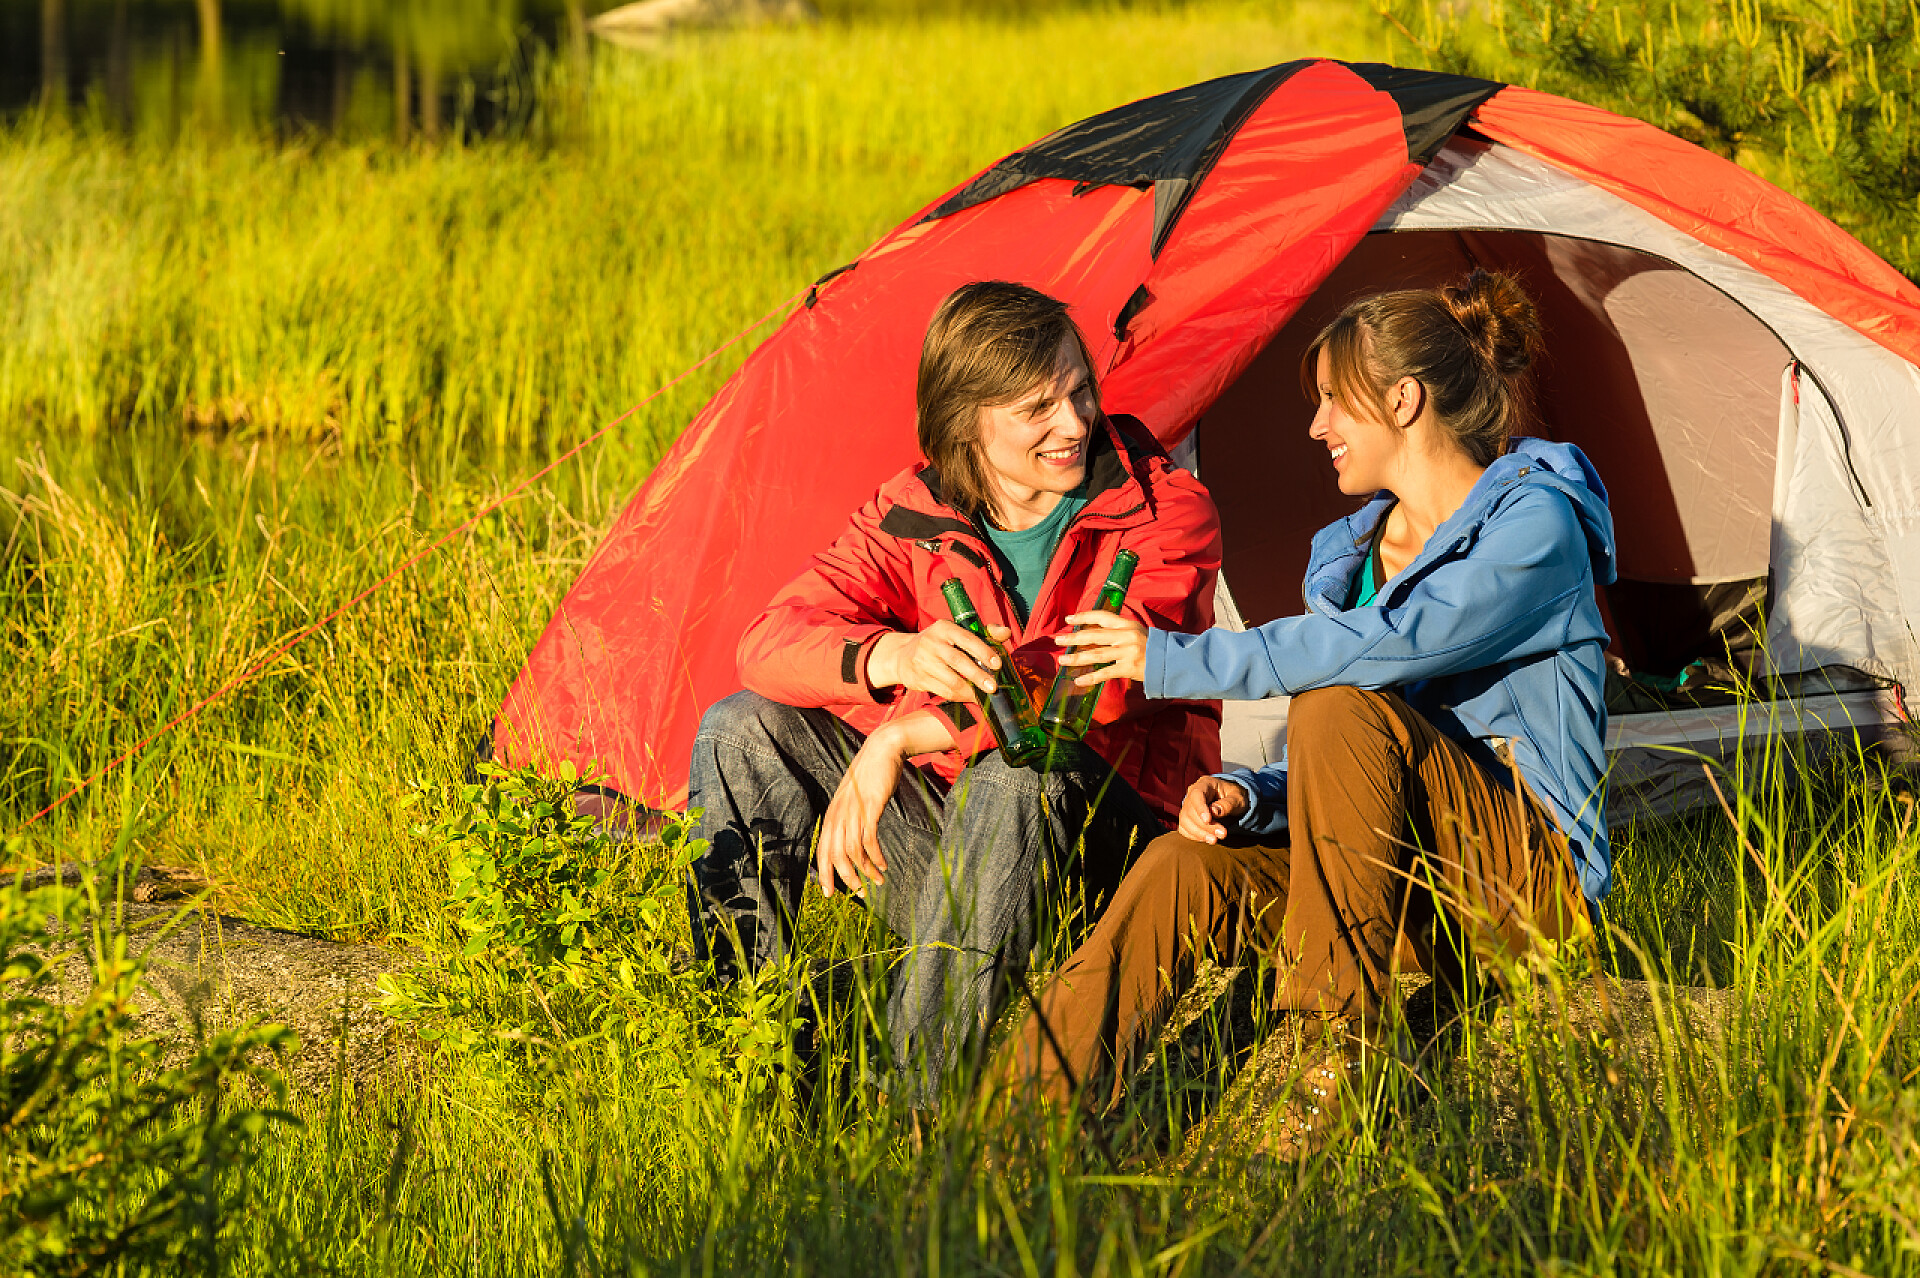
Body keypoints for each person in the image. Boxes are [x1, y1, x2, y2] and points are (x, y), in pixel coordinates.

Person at [998, 270, 1616, 1154]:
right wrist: (1253, 796)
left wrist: (1172, 658)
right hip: (1402, 891)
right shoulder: (1358, 553)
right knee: (1183, 868)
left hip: (1527, 890)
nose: (1317, 426)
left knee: (1336, 697)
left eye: (1333, 401)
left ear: (1402, 400)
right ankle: (1006, 1120)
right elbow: (1367, 756)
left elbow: (1385, 657)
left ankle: (1334, 1048)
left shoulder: (1535, 529)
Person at [685, 280, 1222, 1104]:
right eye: (1038, 407)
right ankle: (747, 1056)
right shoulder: (913, 512)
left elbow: (1090, 693)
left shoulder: (1163, 508)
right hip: (958, 839)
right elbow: (765, 641)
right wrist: (891, 655)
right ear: (967, 419)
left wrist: (896, 738)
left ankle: (915, 1111)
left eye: (1080, 390)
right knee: (742, 727)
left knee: (1019, 771)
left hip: (1103, 850)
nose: (1074, 423)